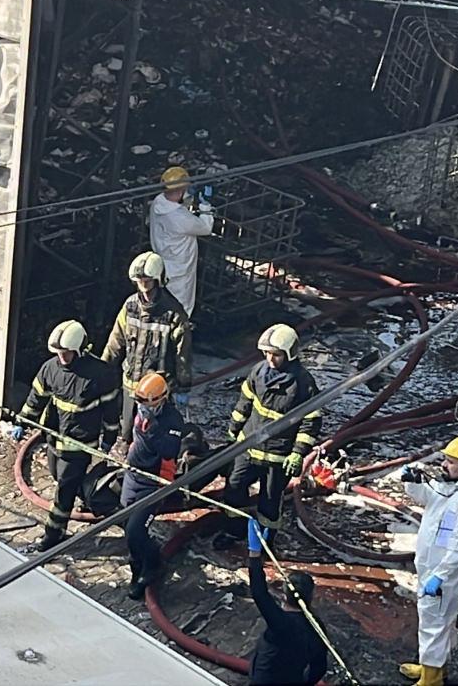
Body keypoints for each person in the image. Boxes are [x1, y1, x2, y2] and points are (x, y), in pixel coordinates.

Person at [11, 320, 120, 552]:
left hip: (79, 444)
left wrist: (109, 439)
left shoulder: (99, 375)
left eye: (66, 353)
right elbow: (36, 398)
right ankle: (96, 497)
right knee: (59, 477)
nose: (62, 357)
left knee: (63, 491)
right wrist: (22, 421)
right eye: (58, 353)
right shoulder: (50, 369)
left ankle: (54, 534)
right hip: (54, 439)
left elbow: (111, 410)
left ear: (80, 350)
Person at [398, 435, 458, 686]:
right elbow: (429, 498)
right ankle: (433, 667)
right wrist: (412, 483)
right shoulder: (452, 488)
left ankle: (431, 679)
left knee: (434, 622)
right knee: (439, 622)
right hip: (433, 568)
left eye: (450, 462)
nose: (444, 465)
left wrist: (440, 575)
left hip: (447, 574)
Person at [225, 324, 321, 532]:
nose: (270, 359)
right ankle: (234, 532)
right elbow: (244, 403)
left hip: (277, 457)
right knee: (234, 487)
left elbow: (311, 421)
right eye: (267, 353)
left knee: (269, 504)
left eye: (276, 355)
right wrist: (234, 429)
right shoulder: (258, 372)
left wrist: (297, 453)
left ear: (289, 354)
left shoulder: (303, 384)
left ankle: (264, 541)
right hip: (248, 448)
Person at [102, 251, 193, 443]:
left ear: (158, 280)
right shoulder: (130, 307)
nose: (143, 284)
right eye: (139, 280)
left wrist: (183, 385)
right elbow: (115, 342)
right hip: (131, 385)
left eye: (147, 280)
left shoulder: (173, 313)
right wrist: (102, 370)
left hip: (156, 391)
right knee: (127, 433)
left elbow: (182, 354)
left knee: (151, 435)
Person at [120, 372, 184, 600]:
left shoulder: (171, 420)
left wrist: (153, 430)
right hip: (133, 474)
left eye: (145, 403)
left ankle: (152, 565)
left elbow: (169, 451)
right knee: (127, 525)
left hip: (154, 482)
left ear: (160, 400)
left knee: (135, 530)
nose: (141, 407)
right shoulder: (140, 410)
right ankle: (136, 566)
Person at [246, 517, 328, 686]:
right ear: (311, 596)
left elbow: (260, 593)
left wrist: (254, 554)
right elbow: (319, 667)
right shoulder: (317, 627)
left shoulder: (281, 623)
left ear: (284, 595)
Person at [148, 166, 214, 316]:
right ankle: (181, 327)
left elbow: (175, 202)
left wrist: (188, 195)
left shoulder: (158, 202)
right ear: (181, 190)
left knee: (162, 302)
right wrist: (205, 205)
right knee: (181, 306)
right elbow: (205, 228)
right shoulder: (181, 218)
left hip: (162, 262)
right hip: (180, 268)